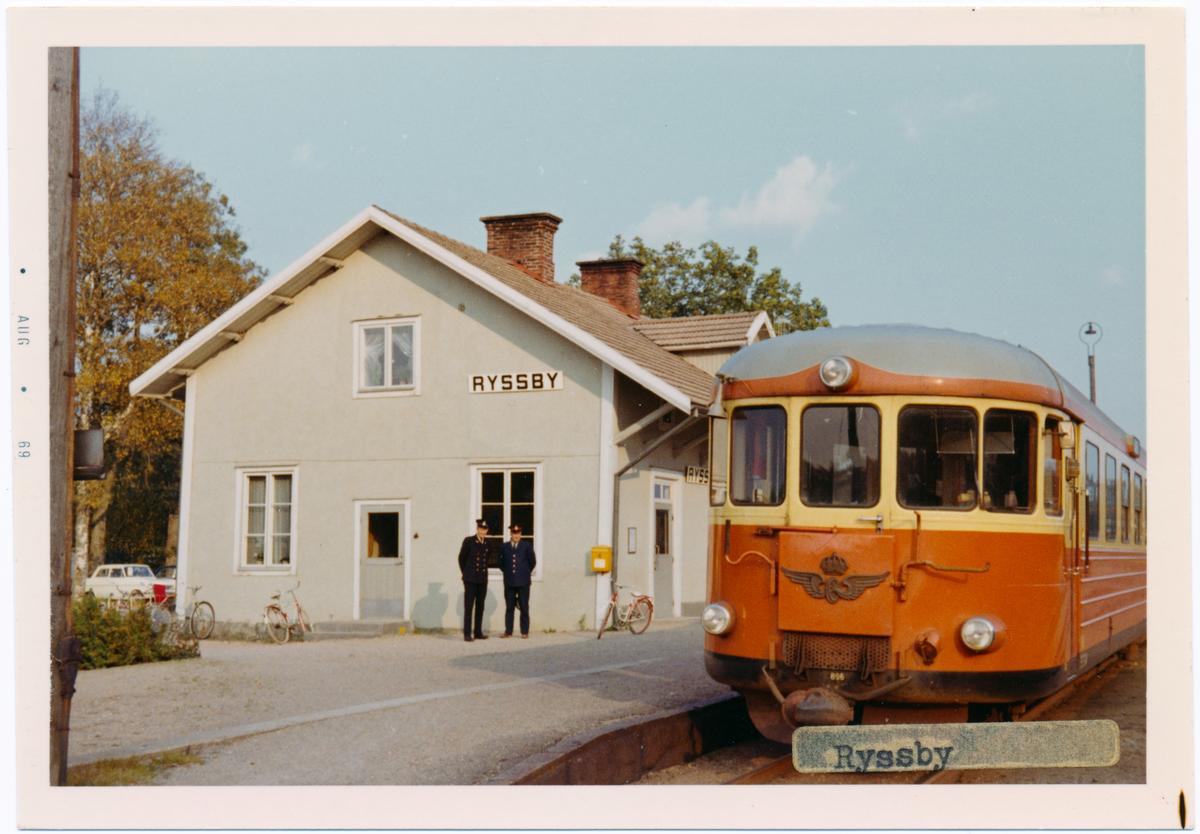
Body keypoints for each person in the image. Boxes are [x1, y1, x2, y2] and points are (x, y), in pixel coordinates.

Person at [498, 524, 536, 638]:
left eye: (518, 533)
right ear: (511, 534)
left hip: (523, 582)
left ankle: (524, 631)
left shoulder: (526, 545)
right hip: (509, 581)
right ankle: (508, 631)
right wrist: (509, 572)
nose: (516, 535)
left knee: (524, 607)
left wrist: (523, 572)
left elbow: (532, 562)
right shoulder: (504, 546)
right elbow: (500, 563)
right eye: (514, 533)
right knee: (509, 607)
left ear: (521, 534)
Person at [458, 519, 492, 642]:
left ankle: (478, 632)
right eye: (481, 529)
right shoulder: (469, 541)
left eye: (485, 529)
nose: (483, 532)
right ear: (477, 529)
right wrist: (467, 573)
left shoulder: (488, 543)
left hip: (482, 579)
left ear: (487, 530)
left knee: (480, 606)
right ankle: (467, 633)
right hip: (470, 579)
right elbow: (461, 558)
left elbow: (487, 559)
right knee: (469, 606)